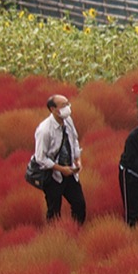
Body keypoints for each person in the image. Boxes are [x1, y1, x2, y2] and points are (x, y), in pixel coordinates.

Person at [32, 94, 86, 224]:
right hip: (53, 176)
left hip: (70, 172)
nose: (67, 107)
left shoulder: (68, 121)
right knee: (54, 211)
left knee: (79, 205)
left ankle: (76, 231)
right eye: (63, 106)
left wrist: (78, 160)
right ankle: (54, 236)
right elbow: (40, 158)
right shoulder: (44, 130)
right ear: (53, 109)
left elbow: (74, 140)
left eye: (67, 104)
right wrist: (61, 169)